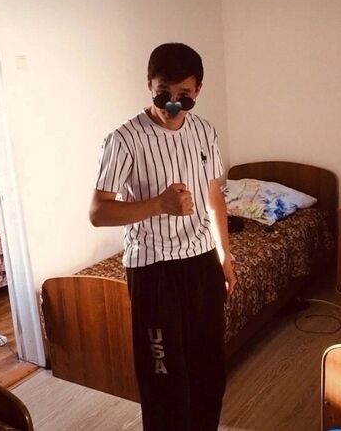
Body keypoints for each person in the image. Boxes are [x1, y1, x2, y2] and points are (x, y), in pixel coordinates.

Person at [89, 42, 236, 431]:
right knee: (164, 376)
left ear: (198, 89)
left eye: (183, 96)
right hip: (153, 269)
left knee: (209, 370)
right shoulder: (123, 140)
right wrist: (158, 204)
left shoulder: (204, 131)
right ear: (149, 85)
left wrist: (225, 255)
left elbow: (214, 196)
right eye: (163, 94)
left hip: (201, 261)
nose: (172, 106)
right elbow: (98, 212)